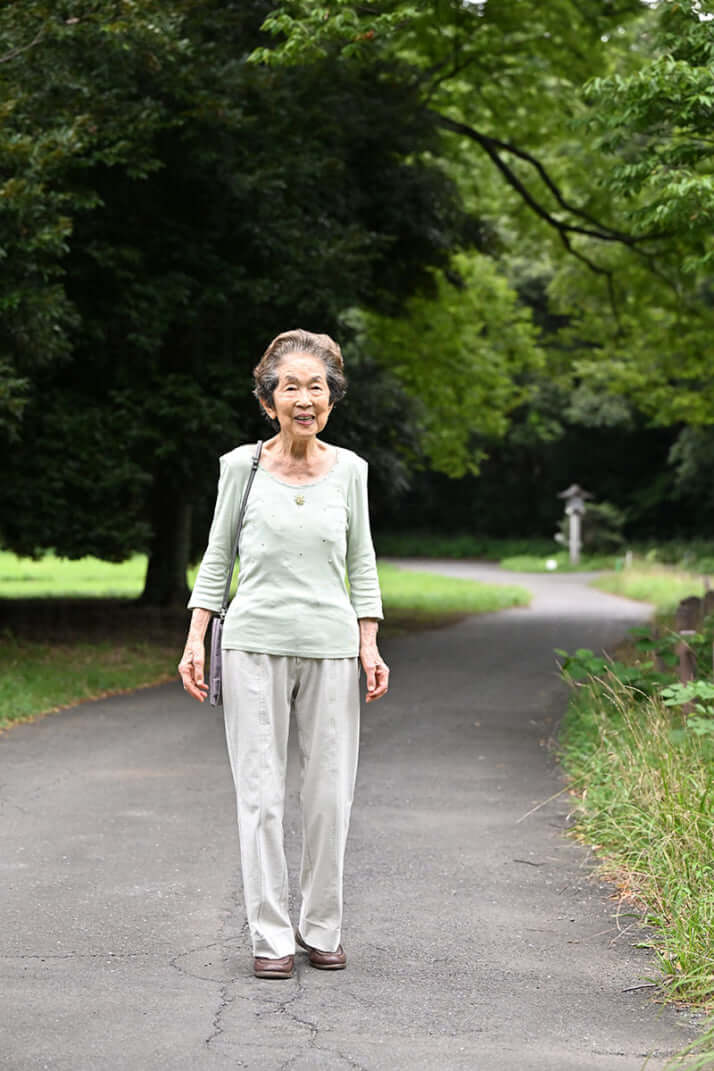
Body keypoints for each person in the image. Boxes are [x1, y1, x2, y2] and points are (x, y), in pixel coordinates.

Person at [178, 328, 389, 980]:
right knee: (262, 796)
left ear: (332, 400)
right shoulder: (239, 467)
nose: (304, 398)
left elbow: (362, 562)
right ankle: (270, 935)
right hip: (252, 646)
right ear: (268, 399)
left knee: (329, 795)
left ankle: (321, 926)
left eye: (316, 387)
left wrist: (369, 641)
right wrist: (195, 635)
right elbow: (217, 560)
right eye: (290, 386)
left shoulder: (350, 470)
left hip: (330, 648)